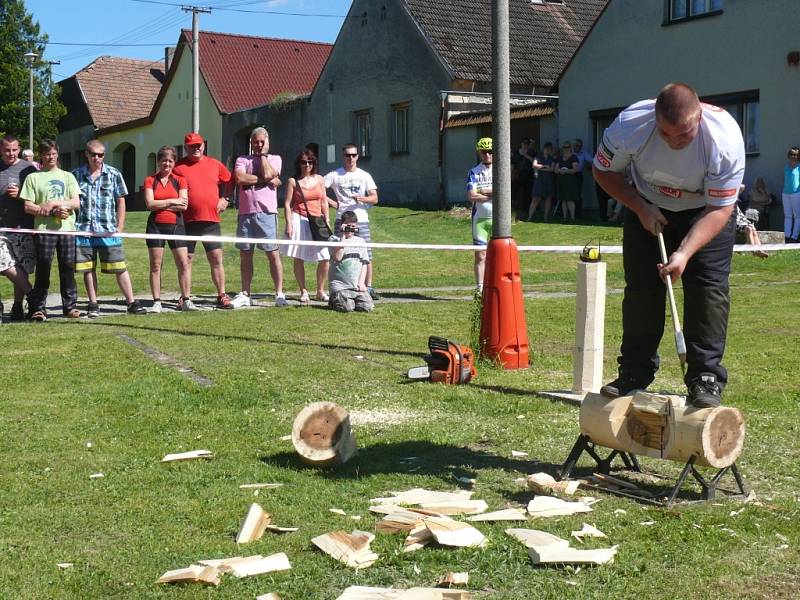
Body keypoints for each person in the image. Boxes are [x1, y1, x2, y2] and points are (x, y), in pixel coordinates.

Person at [593, 82, 745, 409]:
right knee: (642, 291)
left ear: (699, 117)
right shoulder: (630, 125)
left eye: (684, 134)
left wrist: (685, 253)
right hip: (646, 203)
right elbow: (603, 172)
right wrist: (641, 208)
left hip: (705, 211)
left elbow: (720, 208)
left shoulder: (725, 139)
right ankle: (634, 372)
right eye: (666, 135)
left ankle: (705, 378)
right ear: (655, 120)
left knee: (708, 290)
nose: (675, 143)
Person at [73, 140, 146, 317]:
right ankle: (93, 304)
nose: (97, 158)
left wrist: (120, 226)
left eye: (100, 155)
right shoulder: (75, 175)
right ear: (86, 154)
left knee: (119, 266)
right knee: (88, 269)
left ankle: (131, 302)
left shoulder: (113, 174)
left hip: (108, 230)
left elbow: (121, 200)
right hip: (84, 230)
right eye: (93, 154)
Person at [19, 139, 81, 321]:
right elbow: (28, 207)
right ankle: (38, 308)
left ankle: (70, 307)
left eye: (53, 153)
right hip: (44, 229)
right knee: (43, 268)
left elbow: (75, 202)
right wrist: (48, 211)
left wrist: (58, 205)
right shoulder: (33, 178)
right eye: (47, 154)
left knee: (67, 268)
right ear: (41, 156)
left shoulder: (68, 176)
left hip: (66, 229)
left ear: (57, 154)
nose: (51, 157)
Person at [173, 132, 234, 309]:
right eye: (192, 146)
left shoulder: (214, 164)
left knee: (216, 258)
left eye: (199, 145)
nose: (196, 148)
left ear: (204, 146)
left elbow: (230, 181)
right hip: (187, 221)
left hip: (211, 220)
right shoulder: (178, 167)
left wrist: (226, 199)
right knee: (187, 260)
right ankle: (185, 298)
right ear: (186, 148)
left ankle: (222, 295)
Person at [232, 127, 286, 308]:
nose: (259, 145)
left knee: (272, 253)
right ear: (251, 142)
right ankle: (245, 293)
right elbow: (239, 179)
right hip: (246, 213)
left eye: (262, 142)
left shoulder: (275, 159)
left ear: (267, 142)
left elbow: (271, 173)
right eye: (256, 142)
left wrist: (263, 157)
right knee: (246, 254)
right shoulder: (242, 159)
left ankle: (279, 293)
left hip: (267, 213)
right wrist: (265, 179)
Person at [324, 144, 379, 300]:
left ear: (357, 156)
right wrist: (333, 203)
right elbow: (318, 187)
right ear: (343, 157)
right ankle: (338, 286)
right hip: (341, 220)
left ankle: (368, 287)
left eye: (353, 155)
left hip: (361, 220)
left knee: (366, 255)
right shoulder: (335, 175)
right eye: (347, 155)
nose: (350, 158)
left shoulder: (365, 175)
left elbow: (375, 198)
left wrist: (363, 199)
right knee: (337, 255)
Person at [143, 145, 192, 312]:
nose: (167, 164)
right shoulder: (150, 180)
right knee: (156, 265)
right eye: (164, 160)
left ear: (174, 162)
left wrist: (161, 205)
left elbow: (184, 206)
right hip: (155, 226)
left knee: (183, 264)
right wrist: (172, 201)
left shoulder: (180, 180)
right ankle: (157, 301)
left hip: (177, 226)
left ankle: (186, 299)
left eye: (170, 161)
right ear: (158, 162)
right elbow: (150, 204)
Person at [282, 150, 330, 303]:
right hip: (299, 218)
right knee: (299, 255)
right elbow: (287, 204)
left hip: (317, 220)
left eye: (310, 162)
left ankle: (320, 291)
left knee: (325, 256)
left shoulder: (320, 179)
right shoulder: (293, 181)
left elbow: (323, 201)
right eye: (304, 162)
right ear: (299, 163)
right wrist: (289, 224)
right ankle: (303, 291)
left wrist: (327, 219)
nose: (307, 165)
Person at [0, 135, 36, 320]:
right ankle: (33, 295)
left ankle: (17, 306)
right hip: (1, 228)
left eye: (14, 149)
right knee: (5, 264)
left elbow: (37, 197)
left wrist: (21, 194)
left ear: (19, 149)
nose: (11, 153)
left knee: (21, 268)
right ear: (1, 150)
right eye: (7, 150)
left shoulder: (29, 169)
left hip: (23, 226)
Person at [327, 210, 373, 313]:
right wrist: (343, 236)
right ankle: (335, 300)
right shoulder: (333, 240)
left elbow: (364, 263)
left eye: (352, 226)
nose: (349, 229)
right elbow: (338, 257)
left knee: (368, 307)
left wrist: (361, 283)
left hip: (356, 287)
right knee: (347, 308)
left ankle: (352, 300)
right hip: (339, 287)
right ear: (342, 224)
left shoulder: (361, 241)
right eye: (347, 226)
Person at [467, 137, 493, 291]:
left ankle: (497, 284)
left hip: (499, 218)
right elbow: (471, 196)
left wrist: (484, 191)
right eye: (484, 152)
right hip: (480, 220)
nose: (487, 155)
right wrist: (491, 194)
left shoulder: (502, 169)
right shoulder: (473, 172)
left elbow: (505, 191)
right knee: (480, 255)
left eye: (490, 151)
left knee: (498, 254)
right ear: (479, 153)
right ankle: (480, 288)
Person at [528, 141, 555, 221]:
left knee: (548, 199)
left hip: (548, 181)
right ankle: (530, 217)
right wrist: (545, 166)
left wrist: (540, 168)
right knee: (535, 198)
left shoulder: (551, 158)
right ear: (544, 149)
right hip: (539, 181)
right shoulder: (538, 157)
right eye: (547, 148)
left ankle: (545, 218)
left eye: (550, 149)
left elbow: (552, 169)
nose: (548, 150)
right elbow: (534, 165)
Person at [555, 142, 580, 222]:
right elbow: (555, 169)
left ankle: (572, 217)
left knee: (570, 199)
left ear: (570, 148)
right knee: (563, 199)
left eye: (567, 147)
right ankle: (565, 217)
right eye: (564, 147)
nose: (566, 149)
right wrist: (559, 170)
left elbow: (575, 169)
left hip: (570, 181)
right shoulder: (560, 157)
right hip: (561, 181)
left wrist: (566, 171)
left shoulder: (574, 157)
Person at [511, 138, 534, 221]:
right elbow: (513, 164)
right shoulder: (516, 153)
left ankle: (525, 213)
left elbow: (534, 162)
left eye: (527, 144)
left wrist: (527, 156)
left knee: (527, 195)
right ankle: (514, 212)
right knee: (515, 194)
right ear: (521, 144)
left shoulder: (531, 152)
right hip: (517, 176)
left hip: (528, 177)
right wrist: (511, 175)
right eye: (524, 144)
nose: (525, 145)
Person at [782, 147, 800, 242]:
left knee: (797, 216)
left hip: (796, 194)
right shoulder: (786, 167)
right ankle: (787, 236)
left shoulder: (799, 167)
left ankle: (794, 237)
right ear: (789, 156)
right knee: (788, 216)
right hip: (785, 193)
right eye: (792, 154)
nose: (794, 156)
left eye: (796, 155)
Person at [573, 138, 593, 219]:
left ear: (581, 146)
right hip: (569, 175)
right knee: (570, 194)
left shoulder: (583, 153)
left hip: (578, 175)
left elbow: (592, 160)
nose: (577, 147)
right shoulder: (570, 153)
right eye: (575, 145)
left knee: (577, 194)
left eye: (578, 145)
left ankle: (577, 214)